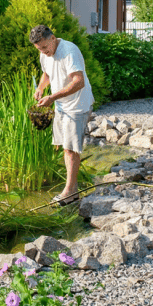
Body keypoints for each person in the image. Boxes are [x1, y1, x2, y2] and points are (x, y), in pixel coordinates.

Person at [30, 25, 94, 206]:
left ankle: (70, 192)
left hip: (77, 105)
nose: (43, 52)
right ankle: (71, 189)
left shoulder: (69, 51)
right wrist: (41, 88)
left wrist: (53, 97)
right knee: (64, 147)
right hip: (62, 105)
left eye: (44, 47)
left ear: (52, 38)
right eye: (39, 49)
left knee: (71, 148)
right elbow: (47, 74)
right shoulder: (45, 53)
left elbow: (79, 82)